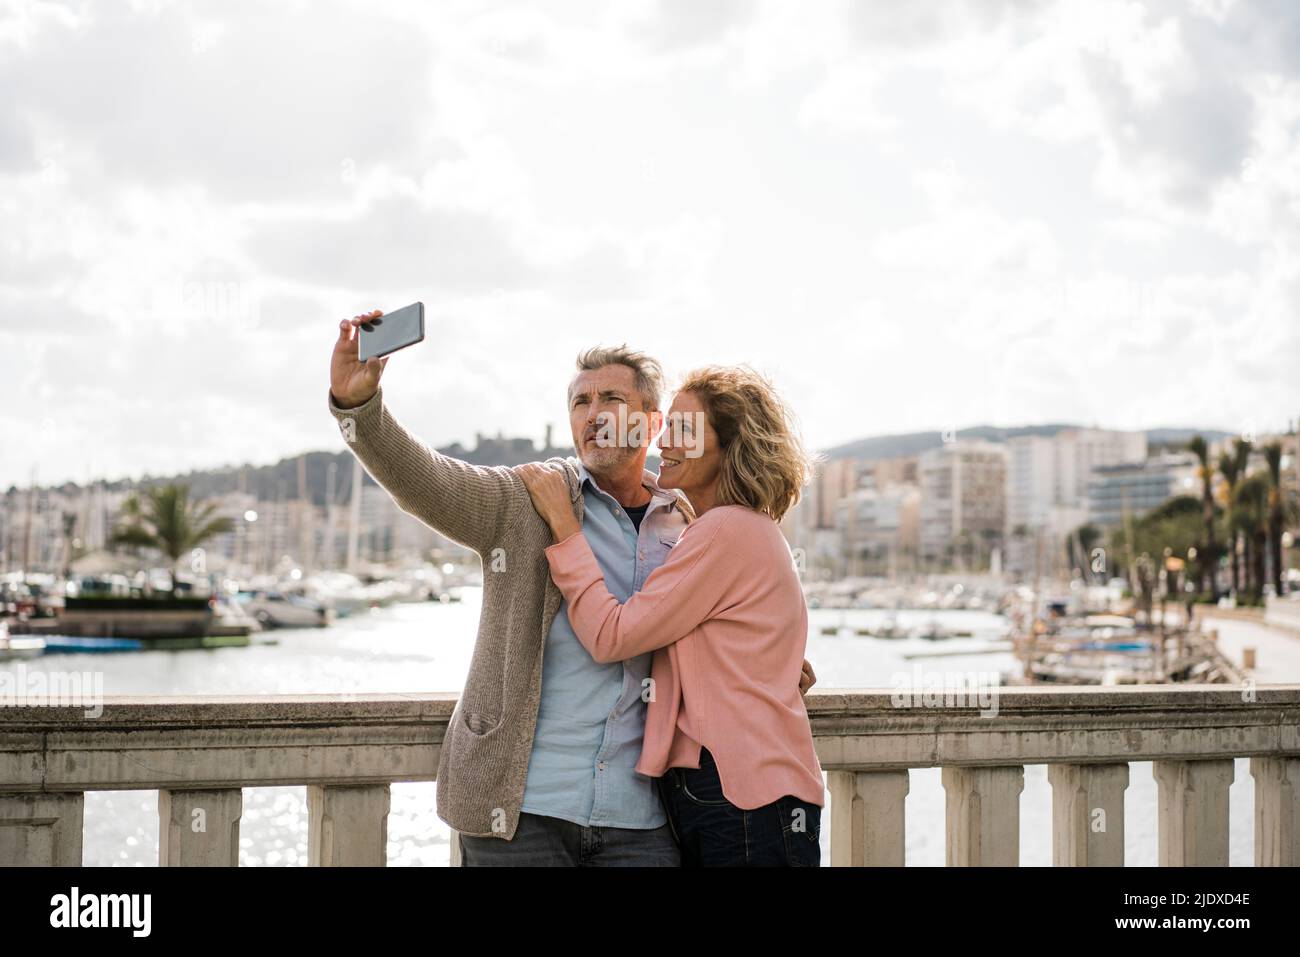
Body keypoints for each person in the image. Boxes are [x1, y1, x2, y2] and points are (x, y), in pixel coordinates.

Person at [327, 312, 816, 866]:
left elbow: (719, 622)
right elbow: (428, 482)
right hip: (521, 815)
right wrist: (360, 411)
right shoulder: (529, 501)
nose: (593, 413)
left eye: (611, 397)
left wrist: (765, 665)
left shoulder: (689, 522)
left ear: (653, 424)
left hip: (643, 822)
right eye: (580, 402)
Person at [517, 365, 825, 866]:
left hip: (740, 793)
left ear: (728, 447)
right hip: (751, 791)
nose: (666, 442)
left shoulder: (723, 530)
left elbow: (612, 636)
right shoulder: (743, 529)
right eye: (668, 428)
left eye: (686, 430)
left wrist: (565, 529)